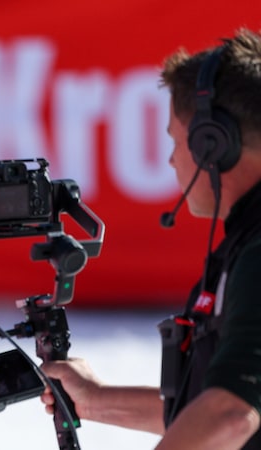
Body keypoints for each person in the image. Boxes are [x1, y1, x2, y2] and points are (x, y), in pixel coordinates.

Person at [40, 28, 261, 449]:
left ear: (212, 145)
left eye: (176, 141)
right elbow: (209, 407)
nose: (171, 159)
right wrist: (96, 400)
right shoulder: (245, 242)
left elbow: (230, 415)